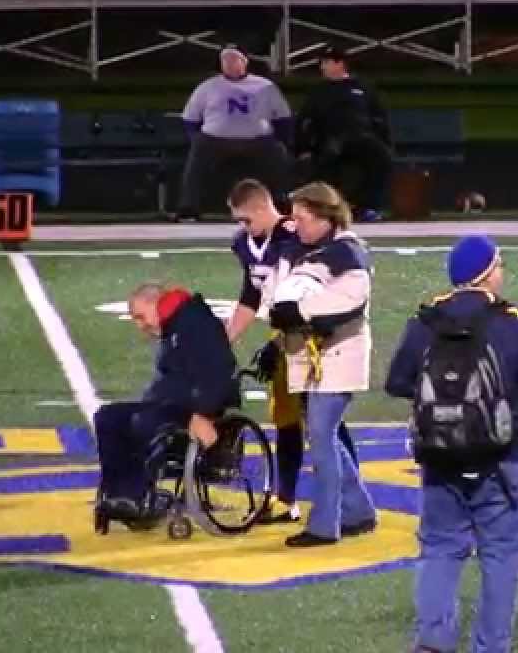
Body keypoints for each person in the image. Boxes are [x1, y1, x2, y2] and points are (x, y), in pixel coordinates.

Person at [385, 235, 518, 653]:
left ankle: (433, 643)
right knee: (500, 556)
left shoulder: (427, 318)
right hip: (505, 456)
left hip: (440, 455)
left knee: (440, 550)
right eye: (499, 265)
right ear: (486, 272)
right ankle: (491, 646)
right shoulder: (510, 320)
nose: (502, 272)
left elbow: (397, 381)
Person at [223, 177, 358, 525]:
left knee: (324, 420)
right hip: (287, 336)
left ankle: (349, 501)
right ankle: (287, 499)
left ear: (259, 207)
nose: (242, 227)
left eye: (245, 219)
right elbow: (251, 297)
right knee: (289, 418)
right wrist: (225, 340)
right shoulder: (247, 244)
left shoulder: (294, 237)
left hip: (317, 339)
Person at [267, 181, 377, 547]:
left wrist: (296, 312)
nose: (293, 224)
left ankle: (324, 524)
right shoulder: (301, 248)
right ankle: (359, 511)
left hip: (338, 356)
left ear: (324, 217)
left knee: (321, 436)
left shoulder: (348, 254)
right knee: (326, 436)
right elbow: (274, 296)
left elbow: (349, 304)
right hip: (312, 358)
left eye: (300, 217)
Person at [93, 283, 238, 523]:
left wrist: (204, 414)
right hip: (170, 405)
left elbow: (220, 370)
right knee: (108, 416)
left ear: (155, 304)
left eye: (141, 317)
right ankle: (118, 495)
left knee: (143, 422)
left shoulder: (196, 323)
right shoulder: (175, 326)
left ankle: (136, 494)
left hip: (194, 410)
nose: (140, 326)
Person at [174, 45, 293, 222]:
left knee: (278, 154)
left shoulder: (265, 86)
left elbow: (283, 116)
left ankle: (281, 204)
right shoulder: (208, 87)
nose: (229, 64)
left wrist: (282, 139)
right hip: (216, 140)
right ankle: (189, 207)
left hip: (256, 141)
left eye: (234, 59)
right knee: (198, 154)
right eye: (225, 60)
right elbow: (190, 118)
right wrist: (196, 138)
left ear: (244, 62)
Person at [295, 45, 393, 223]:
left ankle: (369, 207)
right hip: (329, 140)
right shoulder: (319, 91)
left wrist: (385, 141)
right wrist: (304, 146)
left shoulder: (362, 88)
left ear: (339, 64)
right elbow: (305, 120)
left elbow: (379, 117)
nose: (322, 67)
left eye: (326, 62)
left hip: (361, 138)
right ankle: (326, 209)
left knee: (381, 156)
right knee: (326, 160)